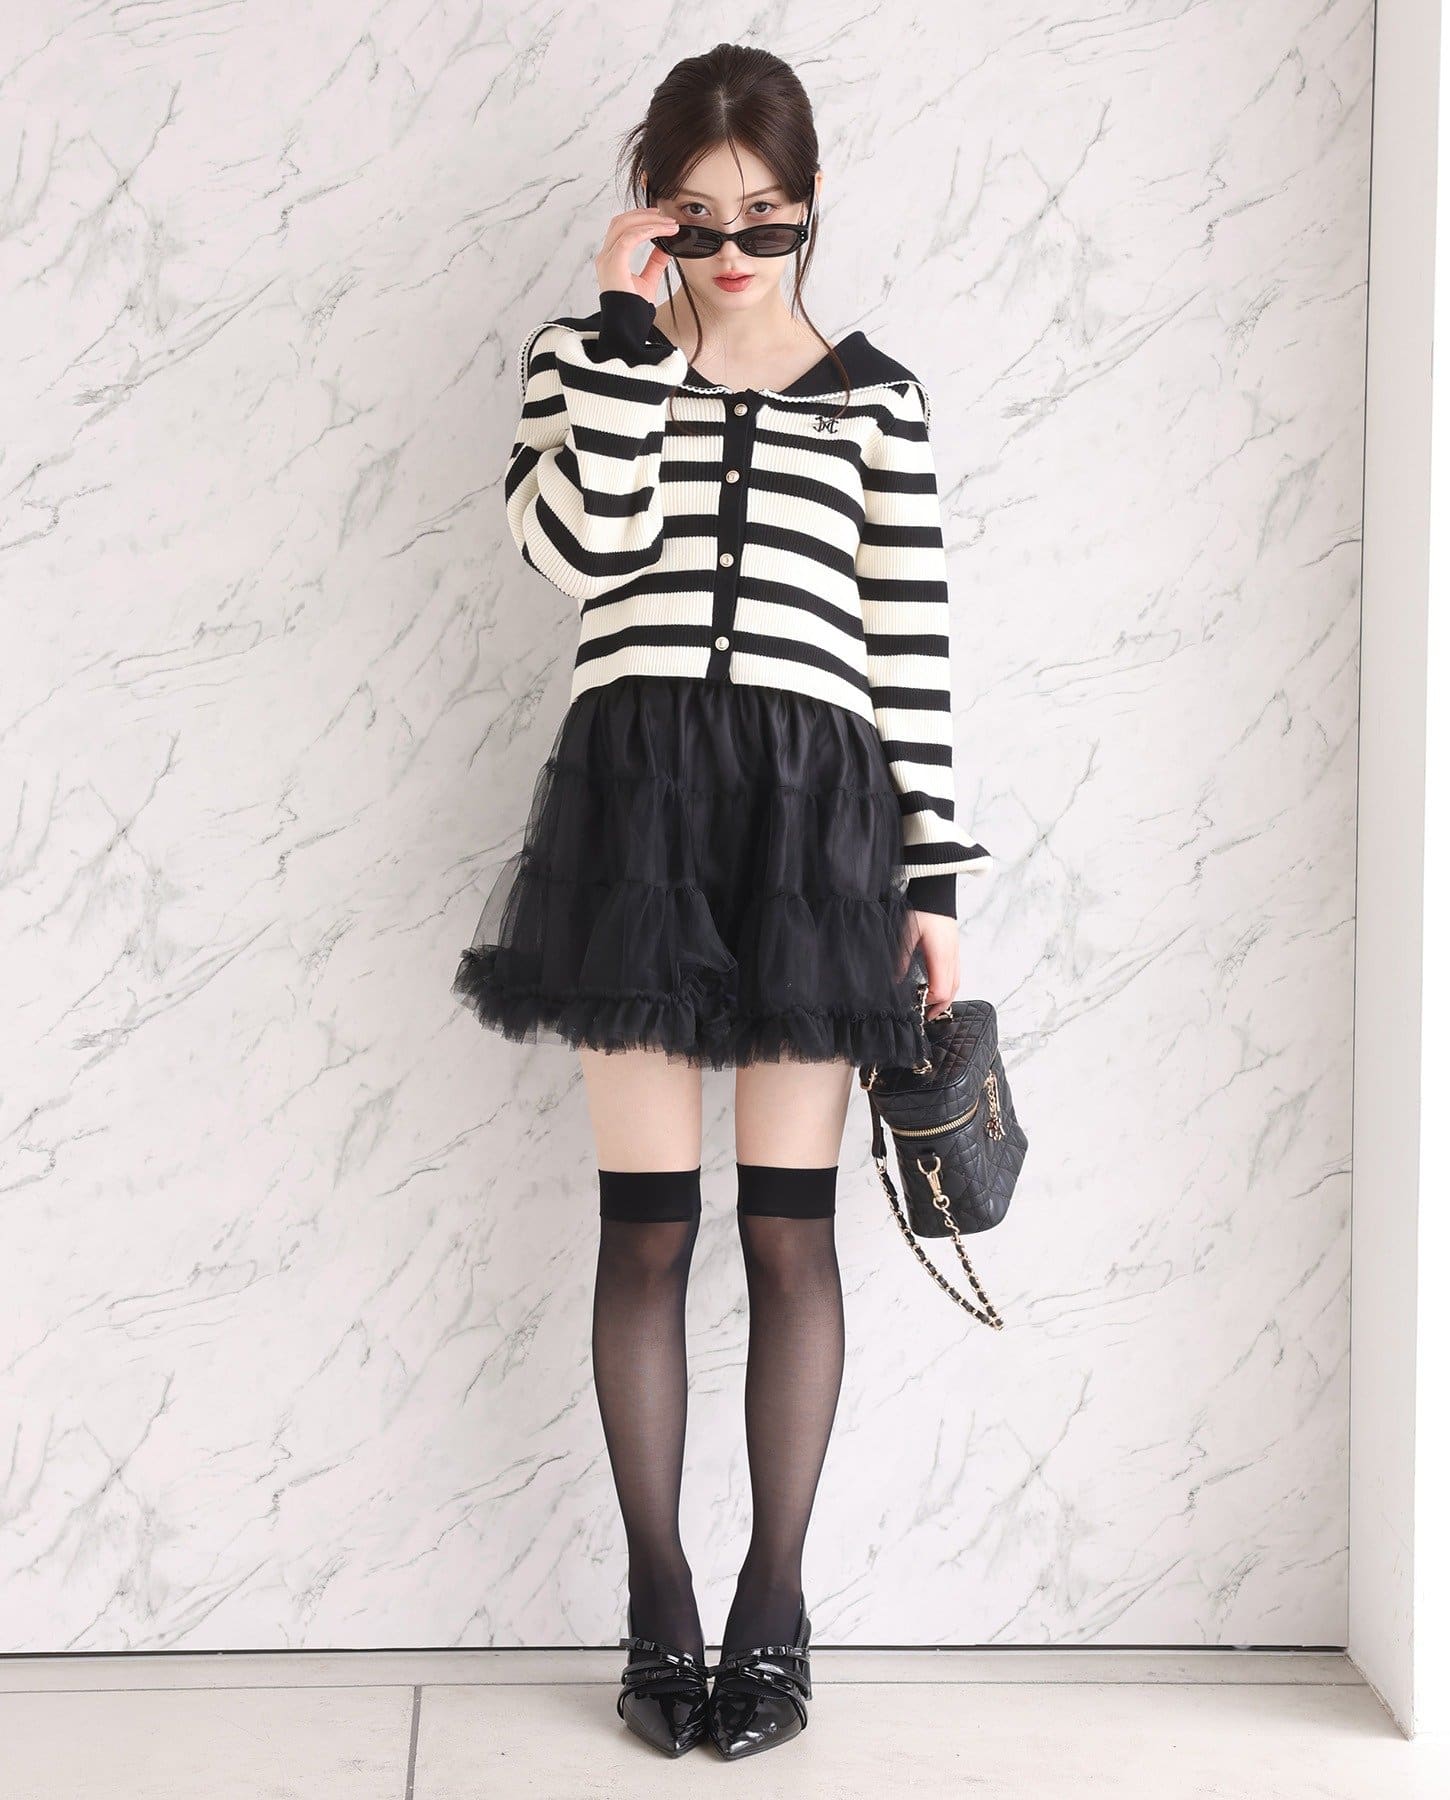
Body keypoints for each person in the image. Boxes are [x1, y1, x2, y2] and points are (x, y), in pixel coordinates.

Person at [452, 41, 992, 1761]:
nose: (737, 248)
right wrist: (626, 334)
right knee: (646, 1227)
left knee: (786, 1228)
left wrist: (934, 884)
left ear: (812, 207)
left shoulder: (880, 398)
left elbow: (909, 653)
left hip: (816, 837)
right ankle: (658, 1603)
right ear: (652, 213)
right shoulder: (585, 359)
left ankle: (774, 1610)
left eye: (768, 217)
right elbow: (570, 551)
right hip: (633, 825)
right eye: (700, 217)